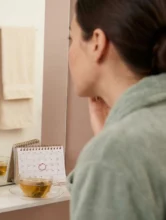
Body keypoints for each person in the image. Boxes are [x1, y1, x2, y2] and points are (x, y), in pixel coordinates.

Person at [67, 0, 166, 219]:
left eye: (71, 38)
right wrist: (107, 135)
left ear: (96, 43)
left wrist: (108, 146)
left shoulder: (112, 155)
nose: (69, 51)